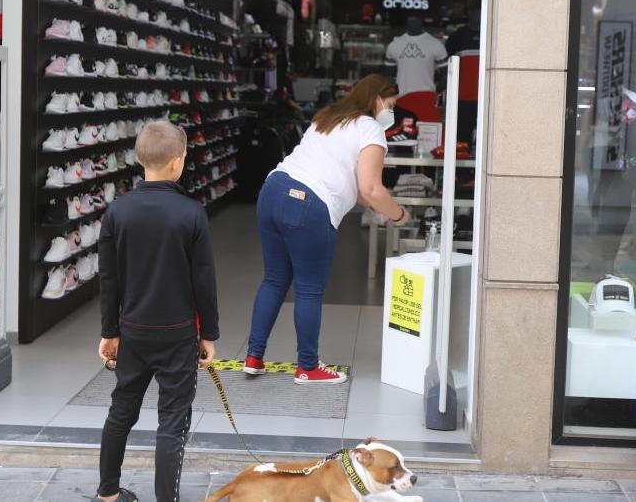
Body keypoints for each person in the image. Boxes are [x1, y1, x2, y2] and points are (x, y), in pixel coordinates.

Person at [243, 74, 411, 385]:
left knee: (275, 279)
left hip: (273, 190)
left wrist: (380, 208)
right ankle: (308, 366)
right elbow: (372, 188)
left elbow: (359, 189)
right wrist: (399, 214)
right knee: (308, 289)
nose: (392, 112)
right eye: (391, 105)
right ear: (377, 99)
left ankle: (253, 357)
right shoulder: (371, 128)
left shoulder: (328, 117)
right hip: (308, 204)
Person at [95, 121, 219, 502]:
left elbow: (108, 279)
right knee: (172, 422)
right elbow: (204, 279)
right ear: (178, 163)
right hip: (178, 331)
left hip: (132, 329)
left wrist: (109, 330)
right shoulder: (191, 214)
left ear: (138, 158)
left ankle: (108, 494)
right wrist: (208, 334)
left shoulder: (117, 213)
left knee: (121, 411)